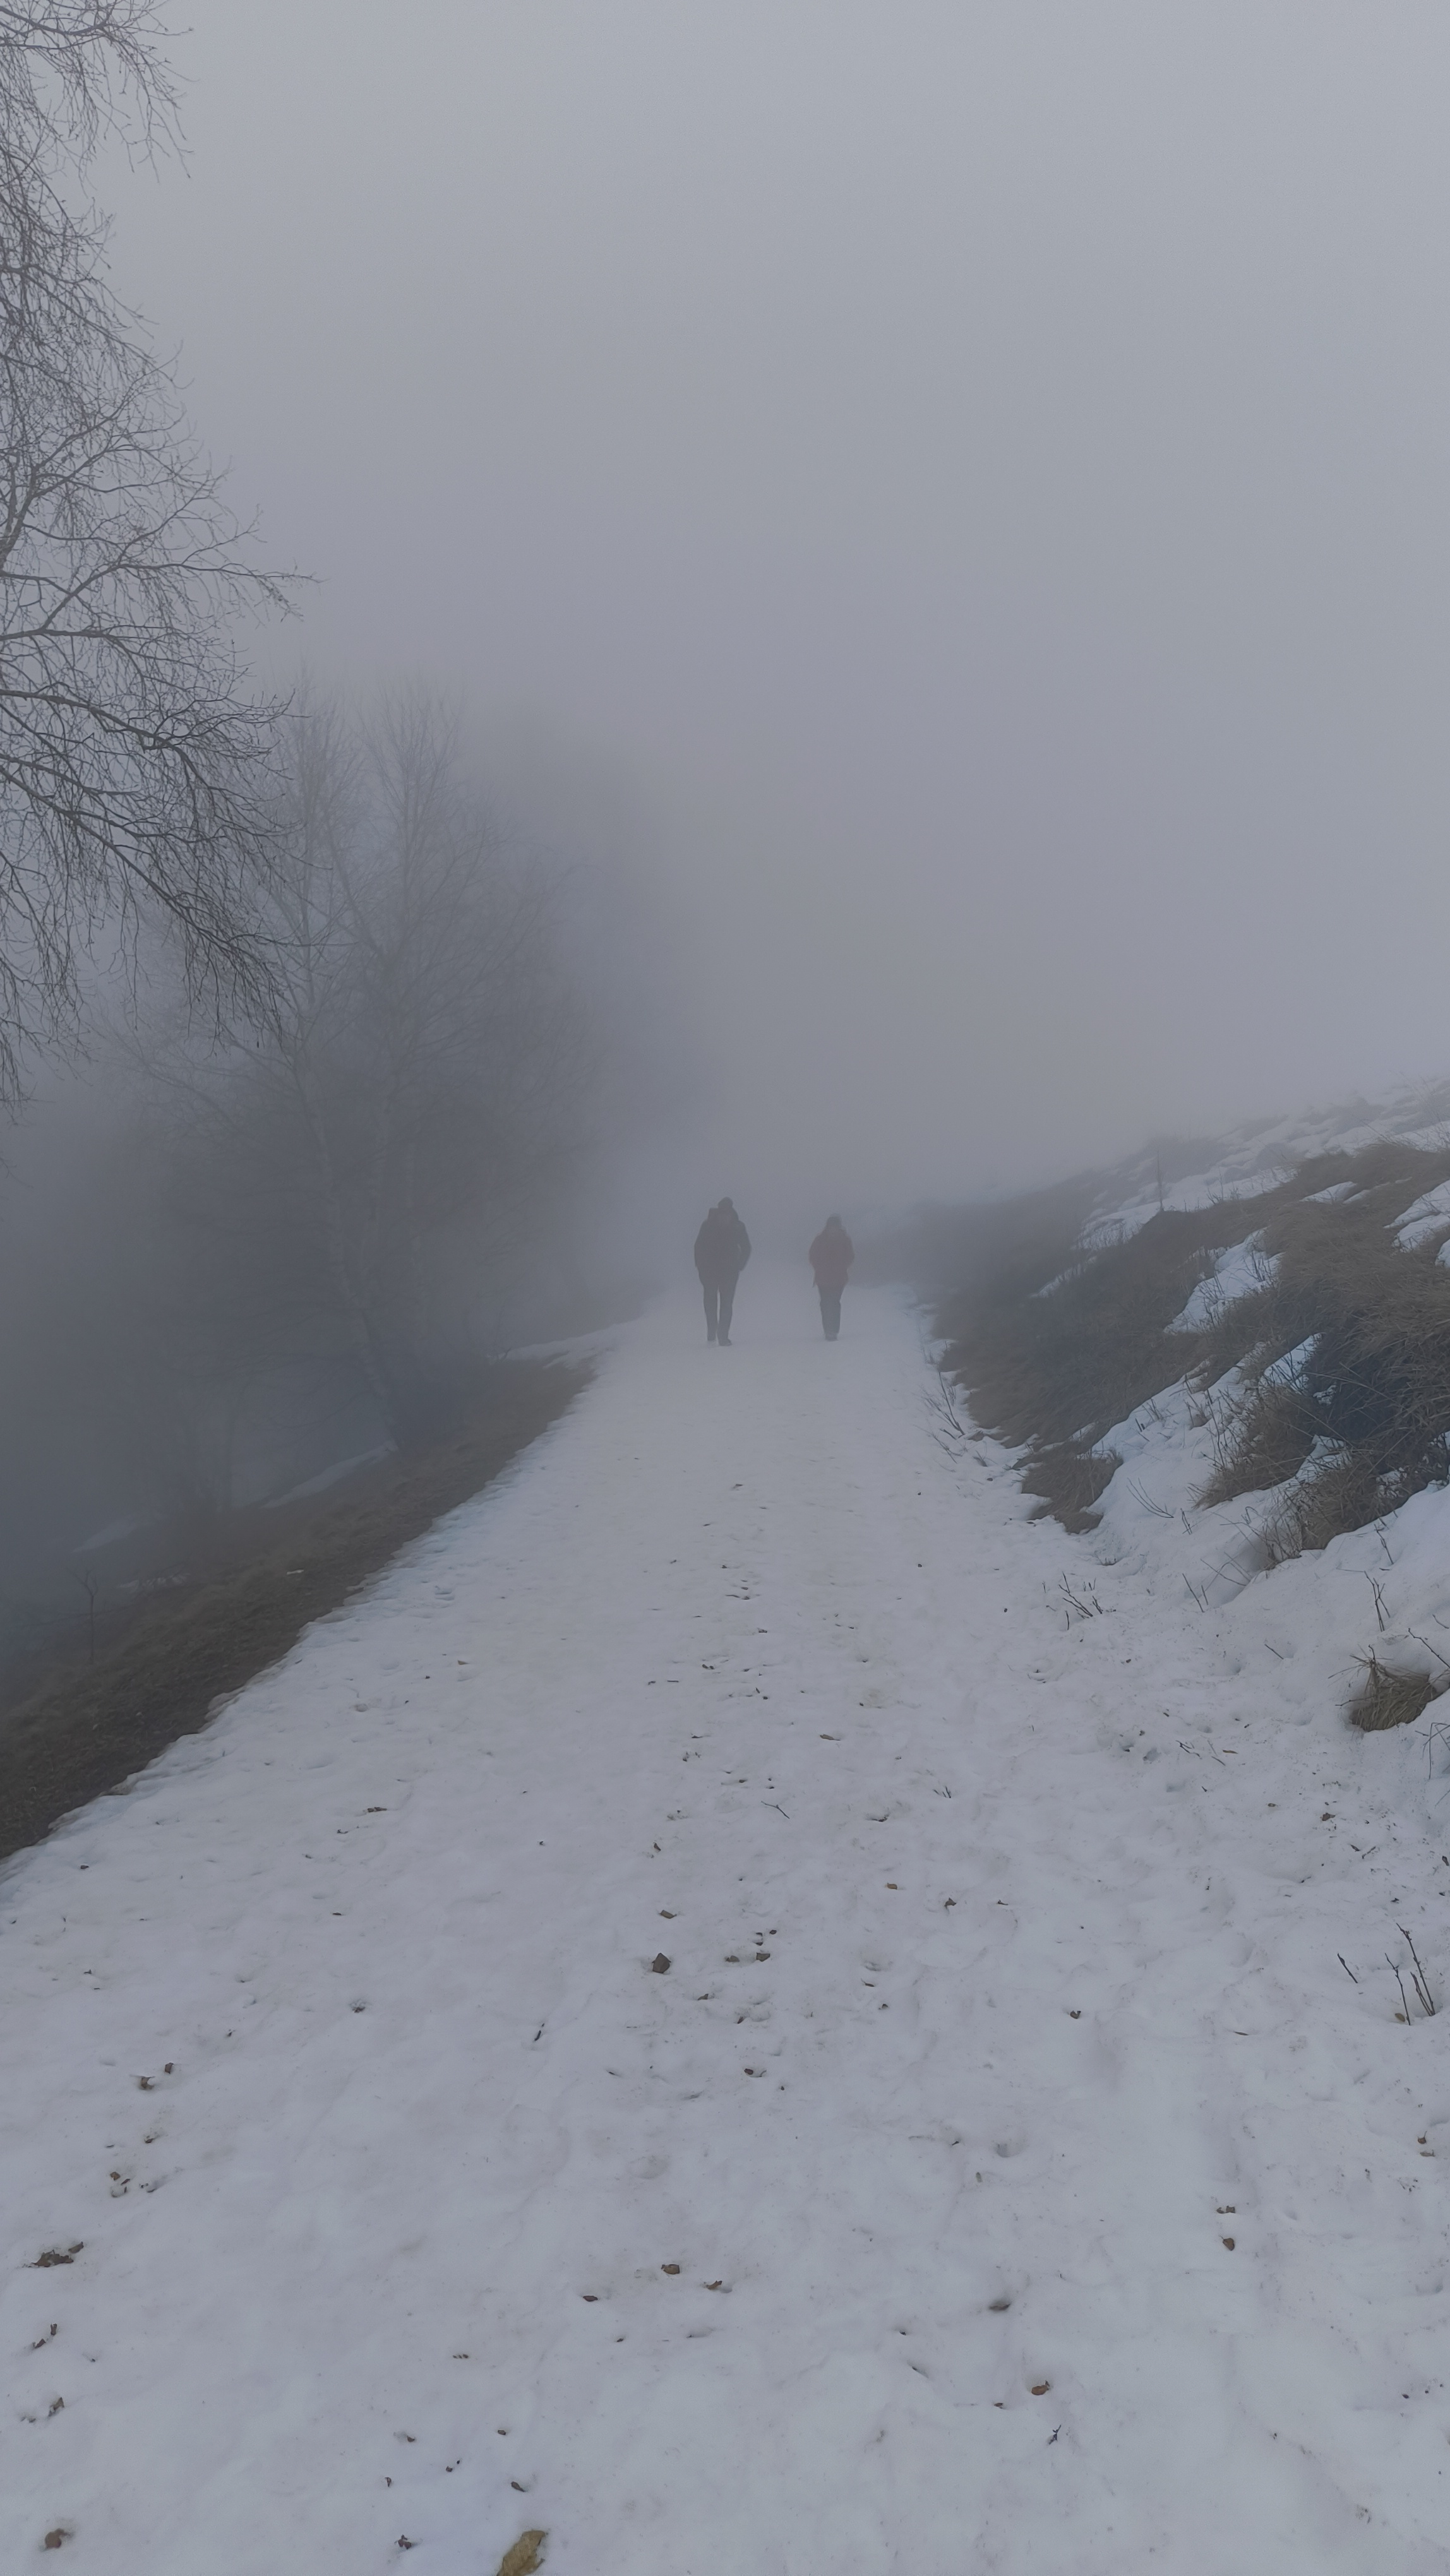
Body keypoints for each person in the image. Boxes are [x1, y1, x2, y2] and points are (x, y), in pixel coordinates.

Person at [694, 1196, 752, 1344]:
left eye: (727, 1214)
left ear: (731, 1213)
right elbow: (699, 1247)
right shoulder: (707, 1226)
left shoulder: (738, 1227)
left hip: (730, 1272)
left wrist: (739, 1265)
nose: (724, 1217)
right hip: (709, 1272)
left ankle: (723, 1336)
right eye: (722, 1214)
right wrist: (701, 1268)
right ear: (718, 1213)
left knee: (726, 1304)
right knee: (710, 1303)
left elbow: (746, 1247)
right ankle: (711, 1331)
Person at [809, 1213, 854, 1340]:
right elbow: (812, 1256)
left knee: (834, 1303)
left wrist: (842, 1266)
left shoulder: (845, 1240)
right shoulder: (820, 1240)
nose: (833, 1229)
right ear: (828, 1227)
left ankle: (833, 1331)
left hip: (839, 1279)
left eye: (835, 1226)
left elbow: (851, 1256)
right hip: (823, 1278)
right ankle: (827, 1330)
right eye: (831, 1226)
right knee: (825, 1304)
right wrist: (819, 1267)